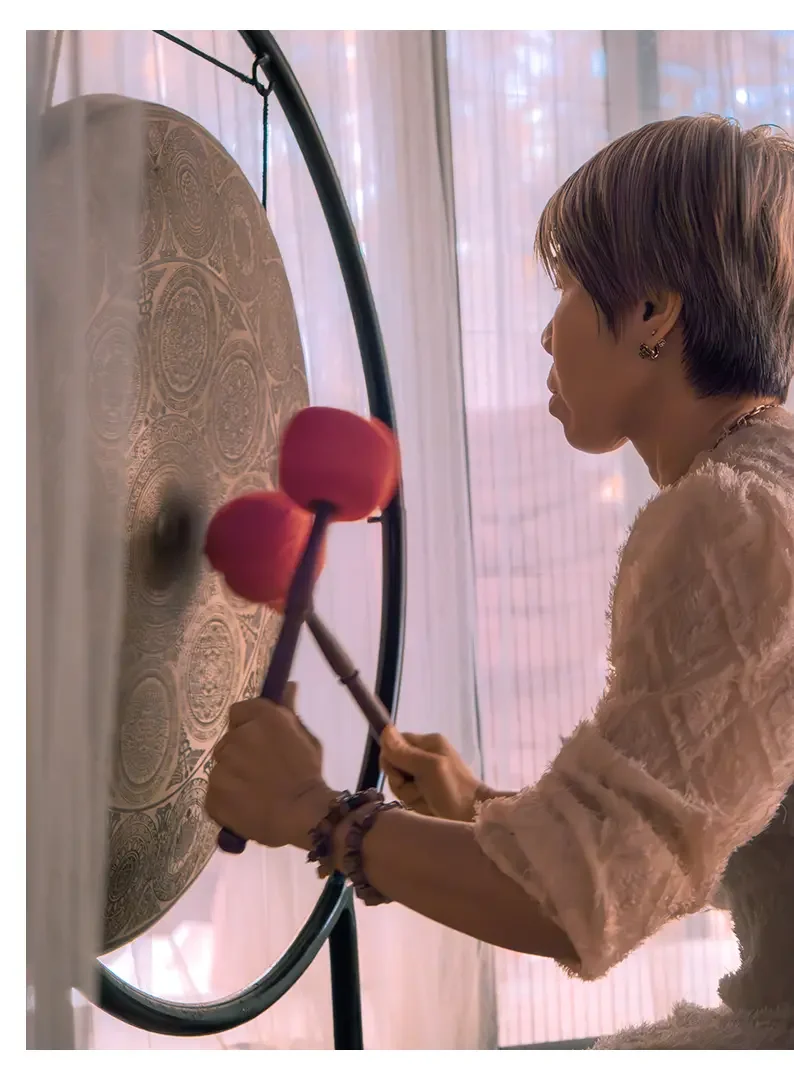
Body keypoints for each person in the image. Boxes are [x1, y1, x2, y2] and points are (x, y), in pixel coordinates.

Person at [205, 115, 794, 1049]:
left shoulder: (734, 522)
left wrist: (311, 812)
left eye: (569, 287)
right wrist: (485, 809)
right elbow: (716, 827)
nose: (548, 331)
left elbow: (579, 901)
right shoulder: (771, 487)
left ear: (653, 311)